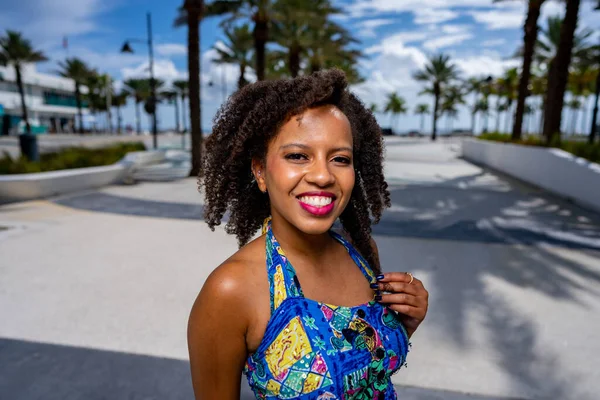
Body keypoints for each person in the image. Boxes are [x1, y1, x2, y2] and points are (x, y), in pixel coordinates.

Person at [188, 69, 429, 399]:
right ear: (260, 170)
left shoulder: (361, 251)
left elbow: (365, 372)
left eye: (340, 159)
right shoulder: (231, 290)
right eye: (297, 156)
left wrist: (403, 326)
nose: (322, 175)